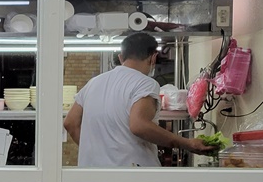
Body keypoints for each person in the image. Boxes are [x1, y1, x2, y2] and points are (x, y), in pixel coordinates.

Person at [63, 31, 212, 167]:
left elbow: (70, 123)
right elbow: (139, 125)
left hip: (92, 174)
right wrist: (187, 143)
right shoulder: (145, 83)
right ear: (153, 57)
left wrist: (96, 153)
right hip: (134, 176)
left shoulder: (93, 83)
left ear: (121, 57)